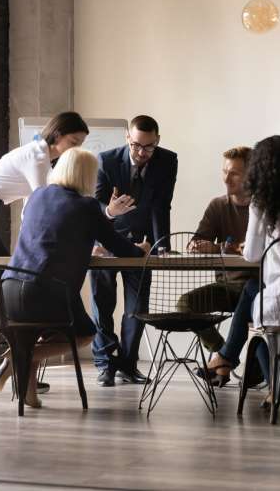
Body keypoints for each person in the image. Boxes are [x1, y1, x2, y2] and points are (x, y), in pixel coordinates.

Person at [0, 112, 90, 389]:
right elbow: (38, 206)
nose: (77, 148)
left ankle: (10, 364)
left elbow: (34, 210)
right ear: (57, 136)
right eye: (74, 141)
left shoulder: (49, 160)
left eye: (81, 143)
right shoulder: (38, 156)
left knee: (2, 280)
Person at [0, 147, 150, 408]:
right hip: (45, 290)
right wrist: (142, 250)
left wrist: (82, 244)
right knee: (84, 334)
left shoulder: (37, 196)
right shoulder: (87, 205)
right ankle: (19, 357)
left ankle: (29, 394)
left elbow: (48, 234)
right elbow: (120, 247)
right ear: (87, 176)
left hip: (8, 287)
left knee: (36, 332)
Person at [197, 136, 280, 407]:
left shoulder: (262, 203)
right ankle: (232, 360)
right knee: (253, 290)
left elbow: (252, 255)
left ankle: (231, 359)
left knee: (258, 313)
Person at [89, 115, 178, 387]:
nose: (142, 153)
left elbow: (162, 205)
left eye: (148, 147)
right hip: (106, 241)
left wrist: (161, 245)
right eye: (137, 145)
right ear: (128, 137)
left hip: (142, 245)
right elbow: (94, 205)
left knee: (136, 308)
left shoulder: (167, 160)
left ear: (157, 141)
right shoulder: (106, 159)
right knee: (103, 306)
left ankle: (127, 365)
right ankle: (105, 365)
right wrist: (109, 212)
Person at [178, 146, 253, 353]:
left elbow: (262, 249)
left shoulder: (264, 207)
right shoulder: (218, 205)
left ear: (252, 175)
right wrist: (197, 246)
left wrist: (218, 247)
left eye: (234, 174)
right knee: (185, 304)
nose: (226, 179)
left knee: (259, 318)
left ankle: (232, 363)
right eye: (224, 172)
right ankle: (222, 353)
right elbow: (196, 242)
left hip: (258, 288)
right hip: (227, 287)